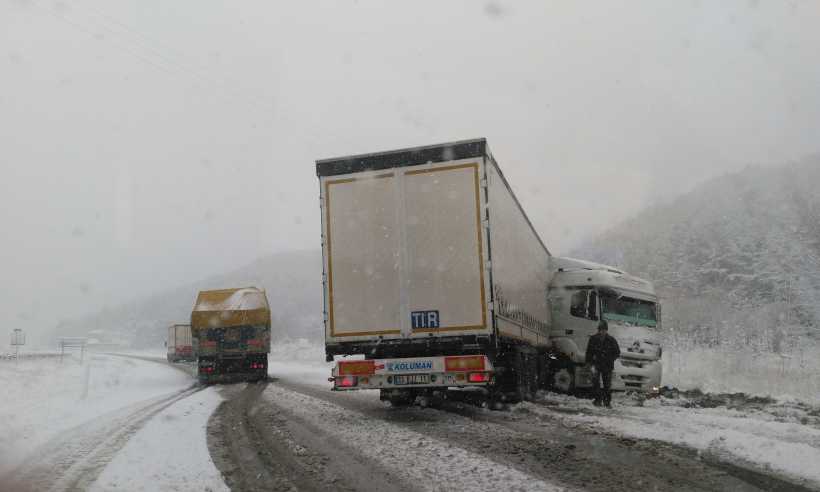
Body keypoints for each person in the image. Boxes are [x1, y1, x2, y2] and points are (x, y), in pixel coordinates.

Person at [585, 320, 621, 408]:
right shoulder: (593, 339)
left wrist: (610, 359)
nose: (602, 332)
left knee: (607, 385)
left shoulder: (611, 340)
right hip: (596, 364)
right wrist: (589, 363)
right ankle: (598, 400)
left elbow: (617, 352)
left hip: (607, 366)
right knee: (595, 383)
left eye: (604, 330)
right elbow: (589, 352)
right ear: (598, 330)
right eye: (600, 330)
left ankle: (607, 402)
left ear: (606, 330)